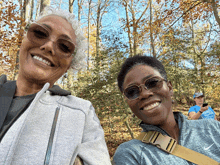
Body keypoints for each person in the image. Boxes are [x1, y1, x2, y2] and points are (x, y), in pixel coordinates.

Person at [0, 7, 111, 165]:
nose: (48, 46)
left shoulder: (82, 113)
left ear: (69, 65)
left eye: (64, 46)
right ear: (23, 39)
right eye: (39, 33)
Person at [113, 55, 220, 165]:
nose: (145, 94)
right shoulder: (130, 155)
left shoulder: (213, 129)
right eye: (132, 91)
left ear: (169, 87)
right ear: (128, 102)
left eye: (153, 83)